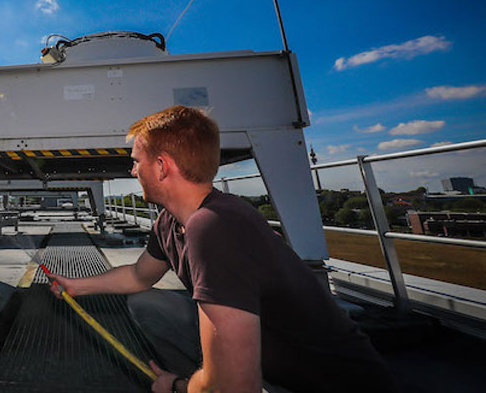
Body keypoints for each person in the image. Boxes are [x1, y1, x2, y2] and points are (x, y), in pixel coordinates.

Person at [49, 105, 397, 393]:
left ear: (161, 166)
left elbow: (236, 386)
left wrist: (177, 386)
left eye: (136, 160)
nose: (132, 169)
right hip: (269, 362)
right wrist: (77, 286)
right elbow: (140, 276)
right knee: (148, 303)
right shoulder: (171, 222)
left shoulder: (216, 225)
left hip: (323, 384)